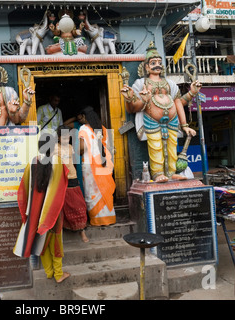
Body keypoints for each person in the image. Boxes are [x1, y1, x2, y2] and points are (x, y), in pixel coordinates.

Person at [120, 42, 200, 183]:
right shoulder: (141, 83)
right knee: (156, 147)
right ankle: (157, 174)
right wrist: (141, 100)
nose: (157, 65)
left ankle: (172, 173)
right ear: (146, 66)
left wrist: (191, 95)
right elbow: (132, 108)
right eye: (153, 62)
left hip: (172, 120)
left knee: (172, 147)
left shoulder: (170, 84)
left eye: (159, 62)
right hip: (151, 121)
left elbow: (178, 103)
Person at [14, 135, 70, 283]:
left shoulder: (32, 162)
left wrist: (28, 210)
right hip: (53, 210)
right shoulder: (57, 162)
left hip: (35, 211)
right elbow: (62, 185)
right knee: (56, 241)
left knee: (41, 241)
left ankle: (49, 272)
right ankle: (59, 274)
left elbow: (24, 188)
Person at [77, 107, 116, 226]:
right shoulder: (102, 129)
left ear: (84, 117)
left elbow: (82, 148)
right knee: (103, 190)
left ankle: (97, 220)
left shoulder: (83, 129)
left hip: (90, 165)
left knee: (92, 192)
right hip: (104, 164)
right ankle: (109, 219)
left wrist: (75, 150)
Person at [54, 125, 89, 242]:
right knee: (62, 207)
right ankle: (63, 232)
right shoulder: (55, 148)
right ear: (58, 138)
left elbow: (72, 163)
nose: (66, 139)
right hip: (61, 179)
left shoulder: (70, 147)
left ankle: (82, 232)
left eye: (67, 137)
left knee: (79, 205)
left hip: (73, 177)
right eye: (63, 137)